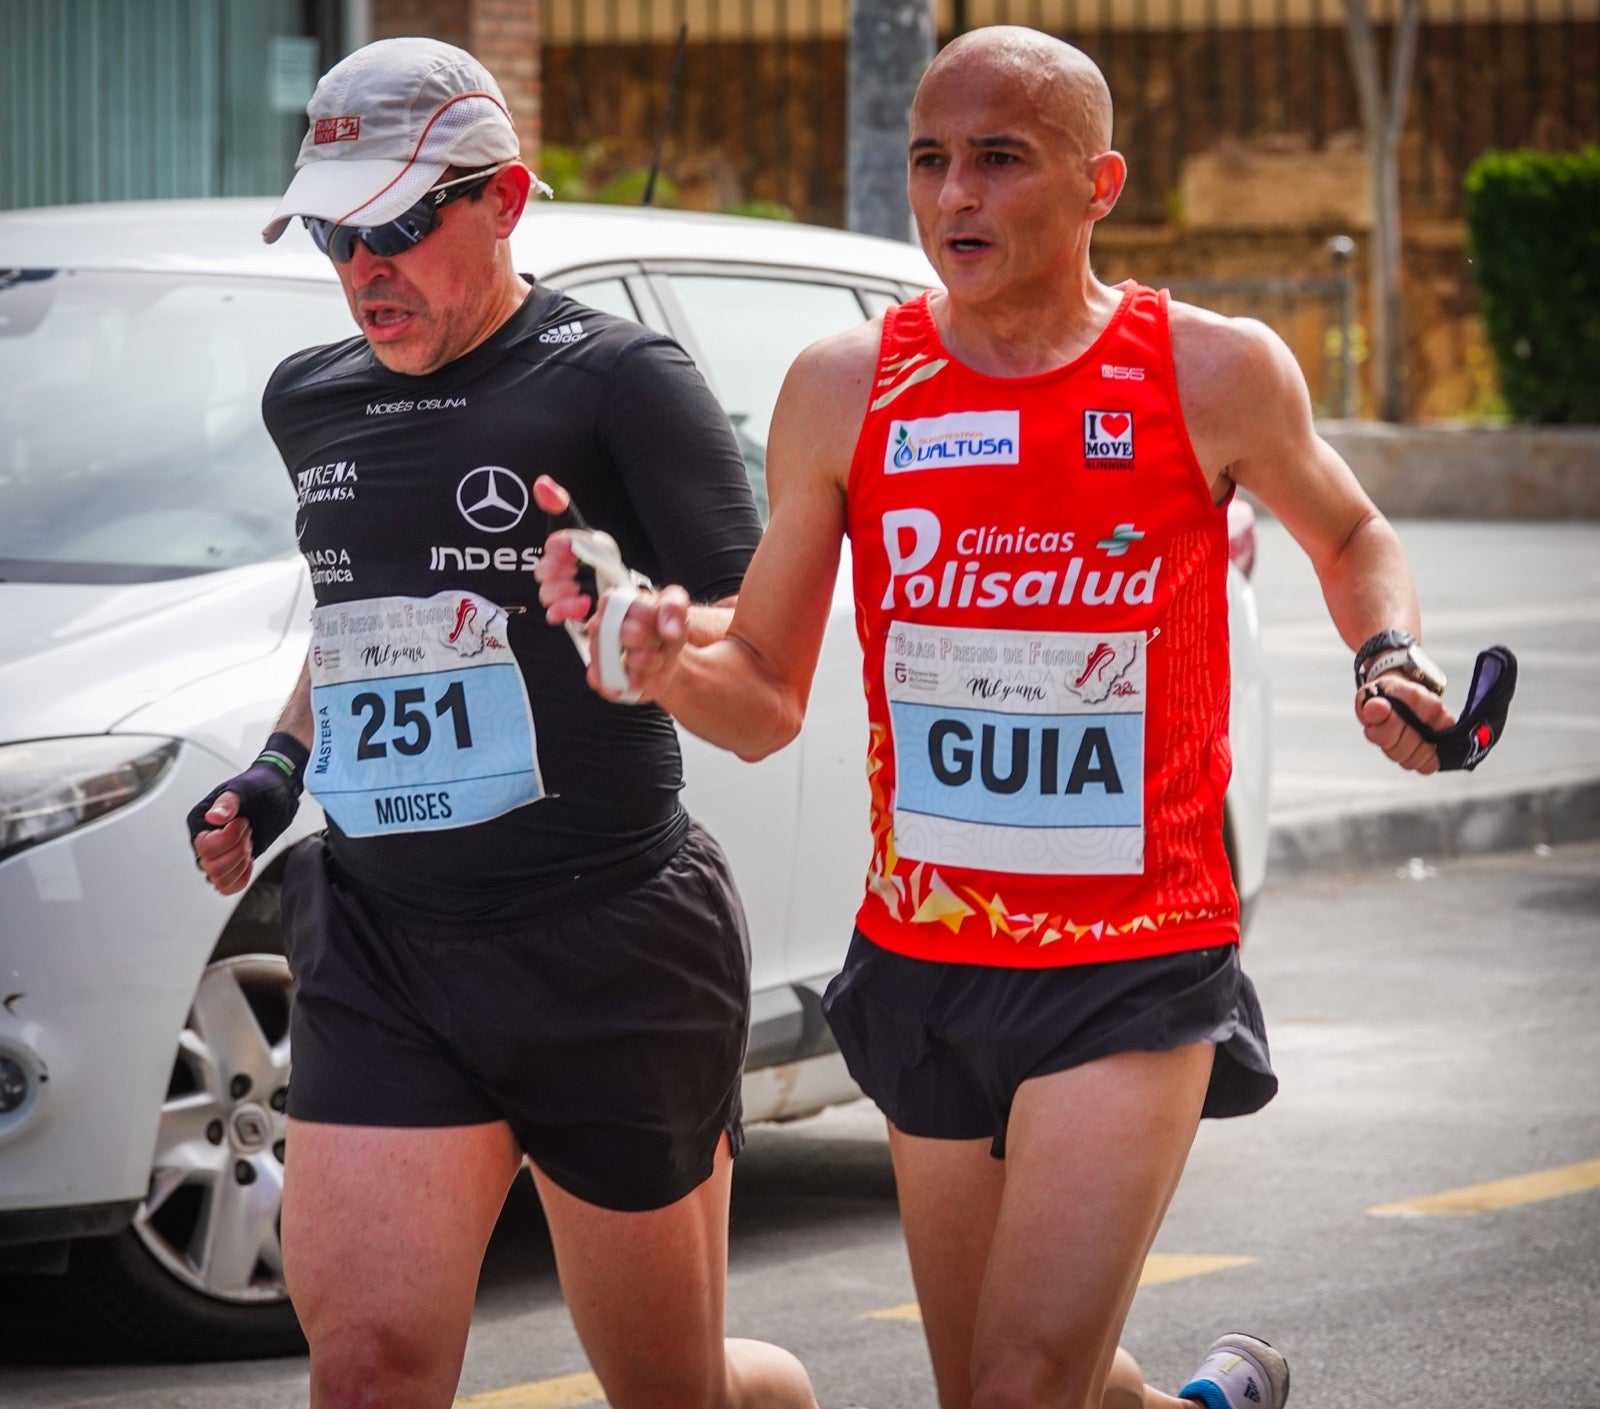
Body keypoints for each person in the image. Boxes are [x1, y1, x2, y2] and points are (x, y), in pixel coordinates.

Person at [536, 25, 1473, 1409]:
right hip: (927, 955)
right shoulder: (847, 387)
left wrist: (1387, 653)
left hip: (1136, 951)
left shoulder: (1207, 370)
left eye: (998, 160)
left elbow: (1349, 532)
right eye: (931, 161)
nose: (954, 196)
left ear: (1100, 184)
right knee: (1021, 1377)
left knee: (1017, 1382)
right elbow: (764, 697)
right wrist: (657, 659)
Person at [187, 37, 819, 1409]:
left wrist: (642, 647)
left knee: (675, 1391)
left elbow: (763, 696)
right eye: (337, 231)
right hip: (385, 944)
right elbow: (355, 612)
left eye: (404, 221)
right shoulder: (313, 398)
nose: (366, 264)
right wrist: (281, 767)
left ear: (506, 197)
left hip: (611, 944)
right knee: (363, 1373)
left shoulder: (620, 384)